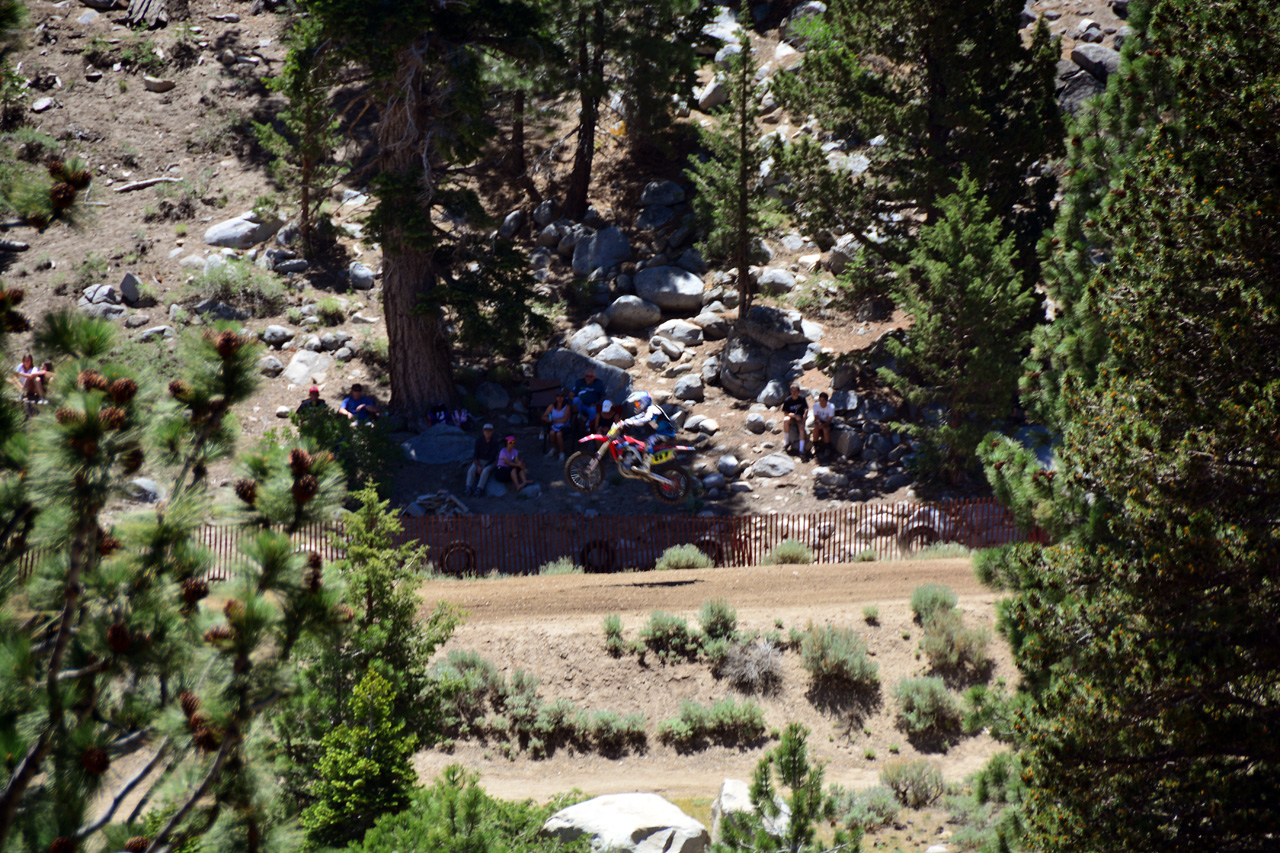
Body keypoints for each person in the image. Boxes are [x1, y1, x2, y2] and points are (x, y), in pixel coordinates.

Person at [619, 391, 676, 471]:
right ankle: (639, 461)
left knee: (649, 441)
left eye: (637, 404)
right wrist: (624, 421)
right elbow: (637, 417)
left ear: (644, 402)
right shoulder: (646, 411)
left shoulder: (652, 409)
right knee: (638, 442)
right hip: (659, 432)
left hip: (666, 433)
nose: (636, 406)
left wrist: (631, 422)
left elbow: (646, 419)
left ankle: (646, 467)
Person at [466, 423, 502, 496]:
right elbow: (475, 455)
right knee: (471, 469)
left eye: (489, 430)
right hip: (479, 461)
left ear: (492, 431)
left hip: (490, 462)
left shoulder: (495, 442)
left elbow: (493, 457)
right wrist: (478, 466)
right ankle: (468, 487)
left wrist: (483, 467)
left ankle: (479, 488)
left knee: (485, 471)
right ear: (483, 431)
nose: (487, 432)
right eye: (486, 430)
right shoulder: (479, 440)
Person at [781, 384, 809, 458]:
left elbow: (806, 409)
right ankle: (786, 443)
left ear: (798, 392)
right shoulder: (788, 400)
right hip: (792, 418)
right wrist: (793, 415)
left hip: (800, 418)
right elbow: (785, 413)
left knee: (802, 429)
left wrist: (804, 419)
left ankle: (801, 450)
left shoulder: (802, 399)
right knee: (785, 420)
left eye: (795, 391)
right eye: (792, 391)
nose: (793, 393)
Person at [542, 390, 572, 460]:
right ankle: (554, 448)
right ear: (556, 397)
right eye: (558, 396)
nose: (560, 398)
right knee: (552, 433)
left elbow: (564, 420)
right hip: (554, 426)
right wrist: (548, 418)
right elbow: (544, 416)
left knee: (559, 434)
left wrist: (554, 420)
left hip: (565, 426)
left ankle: (561, 452)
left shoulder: (567, 407)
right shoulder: (552, 406)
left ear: (564, 397)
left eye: (562, 396)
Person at [811, 391, 835, 456]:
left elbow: (830, 420)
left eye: (823, 400)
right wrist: (819, 423)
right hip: (820, 421)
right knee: (815, 428)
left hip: (828, 422)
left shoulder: (831, 407)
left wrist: (824, 425)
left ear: (827, 401)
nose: (822, 402)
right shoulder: (816, 406)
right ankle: (815, 445)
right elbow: (816, 417)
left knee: (825, 429)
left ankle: (827, 448)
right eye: (820, 400)